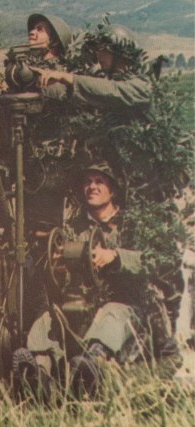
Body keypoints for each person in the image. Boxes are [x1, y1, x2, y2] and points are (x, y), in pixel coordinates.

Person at [13, 162, 174, 400]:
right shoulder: (74, 228)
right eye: (88, 182)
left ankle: (92, 365)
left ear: (112, 190)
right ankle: (38, 372)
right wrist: (58, 265)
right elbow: (61, 270)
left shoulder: (131, 224)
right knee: (50, 317)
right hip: (84, 305)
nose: (92, 186)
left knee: (112, 315)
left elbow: (151, 261)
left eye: (99, 181)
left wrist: (116, 256)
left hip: (127, 309)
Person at [33, 22, 151, 110]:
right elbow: (78, 93)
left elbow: (114, 91)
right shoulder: (111, 79)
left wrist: (68, 77)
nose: (98, 55)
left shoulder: (144, 84)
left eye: (102, 49)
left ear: (118, 51)